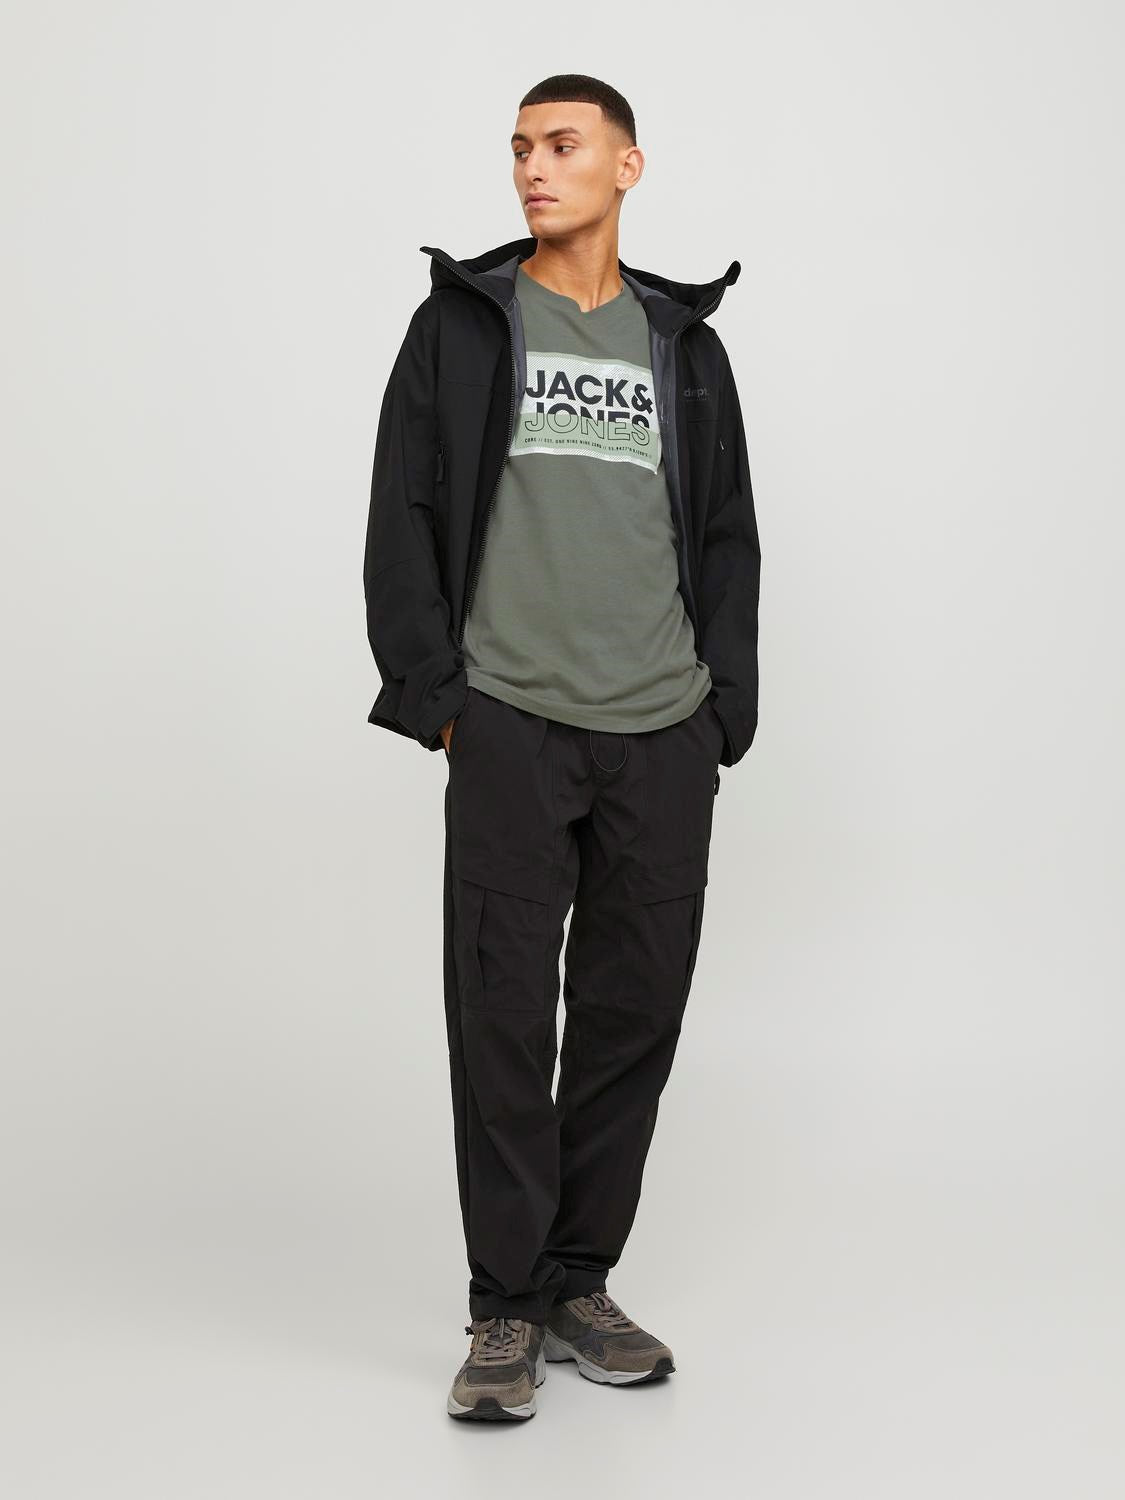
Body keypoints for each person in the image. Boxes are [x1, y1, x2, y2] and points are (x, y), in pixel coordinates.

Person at [363, 74, 760, 1422]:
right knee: (501, 1020)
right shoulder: (464, 324)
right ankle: (504, 1303)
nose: (534, 167)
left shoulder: (682, 346)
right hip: (513, 724)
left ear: (626, 166)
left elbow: (725, 535)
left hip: (660, 728)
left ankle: (580, 1281)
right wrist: (442, 698)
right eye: (521, 148)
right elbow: (402, 513)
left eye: (563, 144)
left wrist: (721, 709)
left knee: (630, 1017)